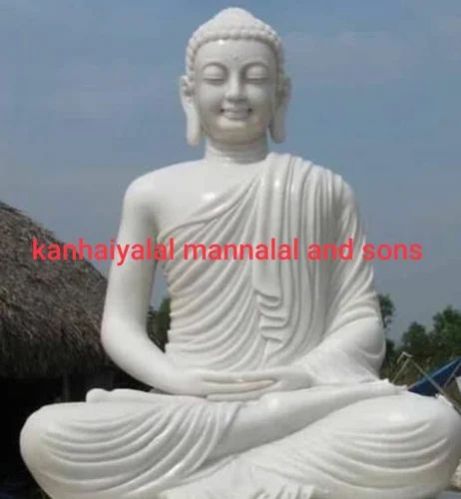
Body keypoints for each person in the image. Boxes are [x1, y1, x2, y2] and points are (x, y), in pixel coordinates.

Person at [20, 8, 461, 499]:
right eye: (216, 78)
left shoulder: (325, 189)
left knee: (430, 426)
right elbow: (120, 325)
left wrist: (304, 375)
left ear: (281, 93)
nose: (235, 93)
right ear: (189, 93)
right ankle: (264, 469)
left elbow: (360, 321)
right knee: (46, 433)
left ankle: (216, 476)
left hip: (302, 399)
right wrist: (177, 379)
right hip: (188, 405)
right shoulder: (151, 193)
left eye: (254, 78)